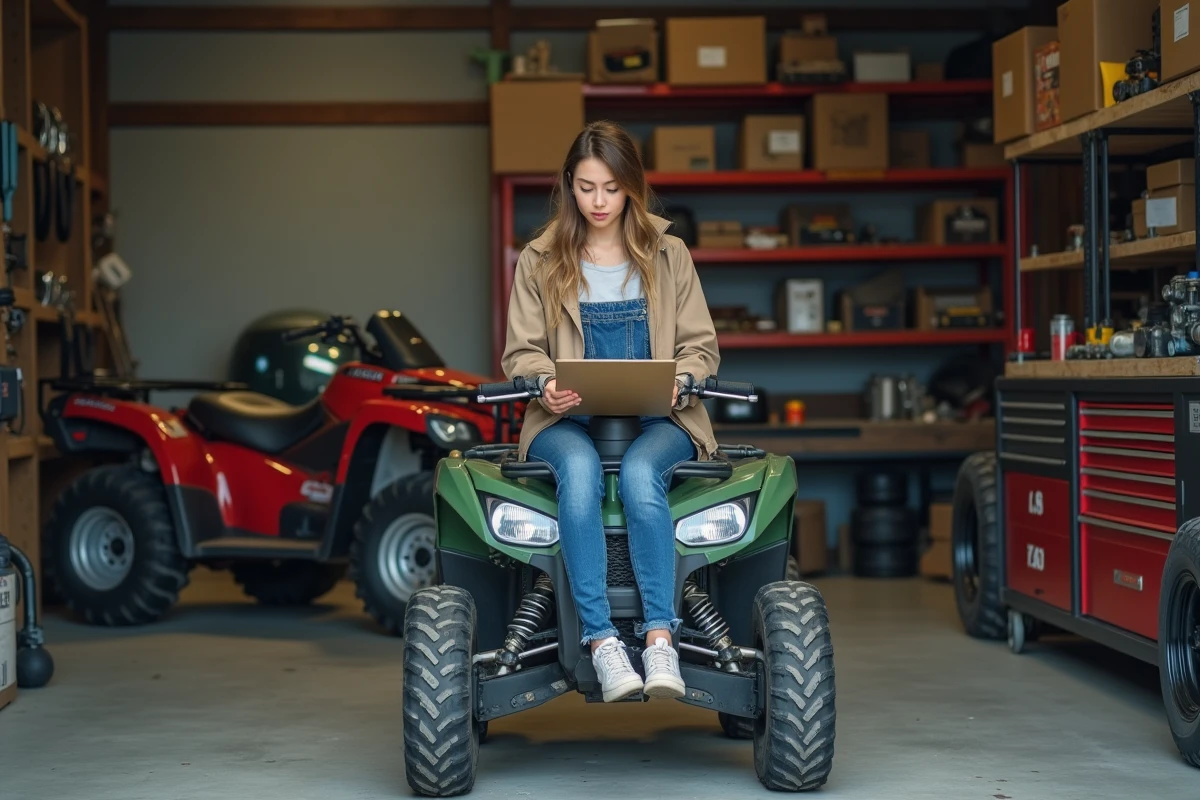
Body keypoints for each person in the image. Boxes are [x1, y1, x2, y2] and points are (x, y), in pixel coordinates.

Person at [501, 120, 721, 703]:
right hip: (565, 422)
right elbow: (520, 351)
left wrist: (684, 380)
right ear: (568, 186)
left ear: (633, 188)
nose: (598, 202)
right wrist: (542, 381)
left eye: (611, 188)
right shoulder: (541, 258)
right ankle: (602, 644)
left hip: (660, 422)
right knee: (579, 476)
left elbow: (700, 346)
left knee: (646, 477)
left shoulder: (669, 255)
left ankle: (658, 639)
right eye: (585, 187)